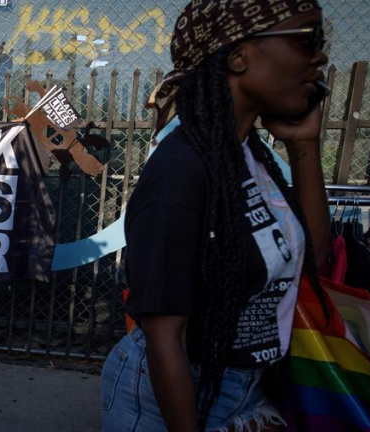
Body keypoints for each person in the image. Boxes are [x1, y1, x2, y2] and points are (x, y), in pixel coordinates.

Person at [101, 1, 331, 431]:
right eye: (307, 39)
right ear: (238, 56)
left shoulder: (246, 157)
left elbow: (314, 261)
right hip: (172, 396)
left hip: (248, 387)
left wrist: (304, 145)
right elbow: (166, 336)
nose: (319, 57)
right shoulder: (180, 171)